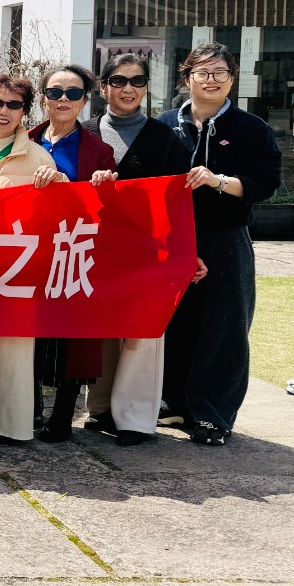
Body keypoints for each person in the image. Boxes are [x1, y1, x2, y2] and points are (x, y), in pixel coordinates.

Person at [158, 42, 281, 446]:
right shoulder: (164, 126)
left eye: (220, 73)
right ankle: (172, 402)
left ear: (232, 79)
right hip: (173, 237)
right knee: (172, 321)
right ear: (187, 77)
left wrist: (219, 181)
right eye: (203, 72)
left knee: (225, 327)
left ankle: (213, 414)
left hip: (226, 236)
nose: (211, 80)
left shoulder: (251, 129)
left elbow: (265, 183)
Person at [84, 54, 194, 447]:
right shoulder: (86, 133)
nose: (128, 88)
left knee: (142, 333)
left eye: (137, 81)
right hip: (94, 250)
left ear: (146, 88)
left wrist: (185, 251)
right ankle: (101, 409)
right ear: (104, 87)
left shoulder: (165, 138)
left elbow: (179, 201)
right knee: (102, 334)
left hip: (148, 251)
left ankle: (134, 418)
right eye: (119, 80)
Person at [0, 73, 64, 445]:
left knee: (14, 343)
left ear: (24, 112)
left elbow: (61, 208)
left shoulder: (37, 156)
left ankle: (12, 425)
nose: (3, 111)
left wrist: (58, 182)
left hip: (17, 262)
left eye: (14, 105)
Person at [30, 63, 117, 441]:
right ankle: (29, 411)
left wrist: (74, 185)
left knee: (72, 336)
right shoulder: (26, 139)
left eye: (73, 93)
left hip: (74, 251)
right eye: (55, 92)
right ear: (43, 98)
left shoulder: (99, 151)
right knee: (26, 332)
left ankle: (63, 416)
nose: (63, 100)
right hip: (28, 250)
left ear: (85, 100)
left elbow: (109, 210)